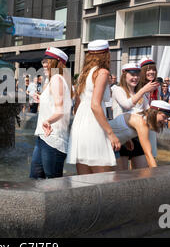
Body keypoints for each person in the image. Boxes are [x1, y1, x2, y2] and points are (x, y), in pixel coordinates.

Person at [67, 40, 120, 175]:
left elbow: (77, 106)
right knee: (103, 179)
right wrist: (111, 133)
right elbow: (95, 105)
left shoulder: (84, 74)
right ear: (106, 54)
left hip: (80, 127)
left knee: (83, 181)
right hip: (94, 127)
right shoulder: (102, 73)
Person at [30, 47, 72, 179]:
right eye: (44, 61)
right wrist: (41, 98)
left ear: (58, 63)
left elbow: (60, 110)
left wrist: (48, 121)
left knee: (52, 181)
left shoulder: (57, 79)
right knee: (36, 177)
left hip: (53, 137)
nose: (44, 65)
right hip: (44, 136)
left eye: (48, 62)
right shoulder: (52, 80)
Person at [111, 63, 158, 170]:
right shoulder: (118, 90)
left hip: (137, 136)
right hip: (122, 138)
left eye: (137, 74)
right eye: (132, 74)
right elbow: (127, 105)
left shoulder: (139, 92)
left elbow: (148, 112)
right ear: (124, 74)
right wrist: (143, 90)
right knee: (122, 176)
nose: (135, 78)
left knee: (143, 172)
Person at [110, 100, 170, 169]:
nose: (166, 121)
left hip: (113, 146)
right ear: (155, 112)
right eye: (164, 117)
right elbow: (148, 153)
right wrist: (157, 175)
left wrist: (127, 139)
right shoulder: (141, 122)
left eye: (167, 118)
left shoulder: (139, 113)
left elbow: (121, 125)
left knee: (120, 176)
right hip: (104, 144)